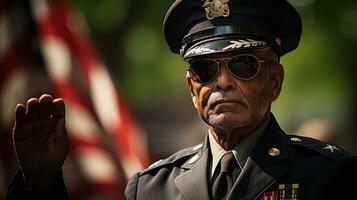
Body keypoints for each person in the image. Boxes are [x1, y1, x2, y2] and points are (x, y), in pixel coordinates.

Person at [7, 0, 357, 199]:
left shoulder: (328, 177)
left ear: (275, 82)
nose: (222, 81)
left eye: (243, 65)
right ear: (193, 89)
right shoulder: (149, 188)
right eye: (205, 70)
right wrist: (40, 183)